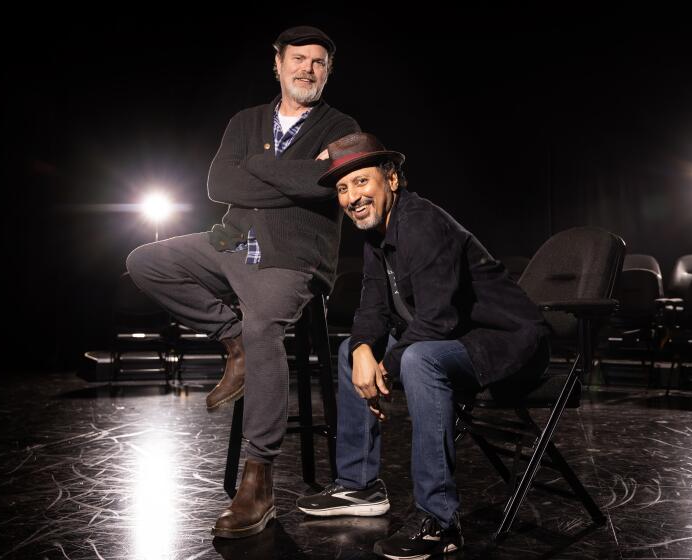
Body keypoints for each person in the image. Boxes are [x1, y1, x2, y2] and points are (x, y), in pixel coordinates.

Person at [126, 26, 359, 538]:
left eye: (319, 63)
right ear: (276, 64)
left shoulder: (341, 127)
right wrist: (292, 174)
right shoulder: (246, 120)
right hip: (231, 244)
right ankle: (230, 339)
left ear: (328, 71)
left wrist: (257, 169)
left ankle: (259, 481)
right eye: (298, 59)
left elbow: (325, 187)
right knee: (146, 260)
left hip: (294, 259)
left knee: (263, 326)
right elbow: (218, 184)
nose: (308, 70)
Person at [296, 132, 550, 559]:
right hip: (454, 341)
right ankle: (359, 487)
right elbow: (372, 309)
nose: (352, 196)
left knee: (416, 359)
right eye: (343, 188)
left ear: (391, 180)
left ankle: (440, 524)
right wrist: (363, 351)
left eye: (361, 182)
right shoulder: (378, 235)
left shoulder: (424, 223)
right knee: (348, 354)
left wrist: (384, 369)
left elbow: (438, 320)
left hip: (507, 343)